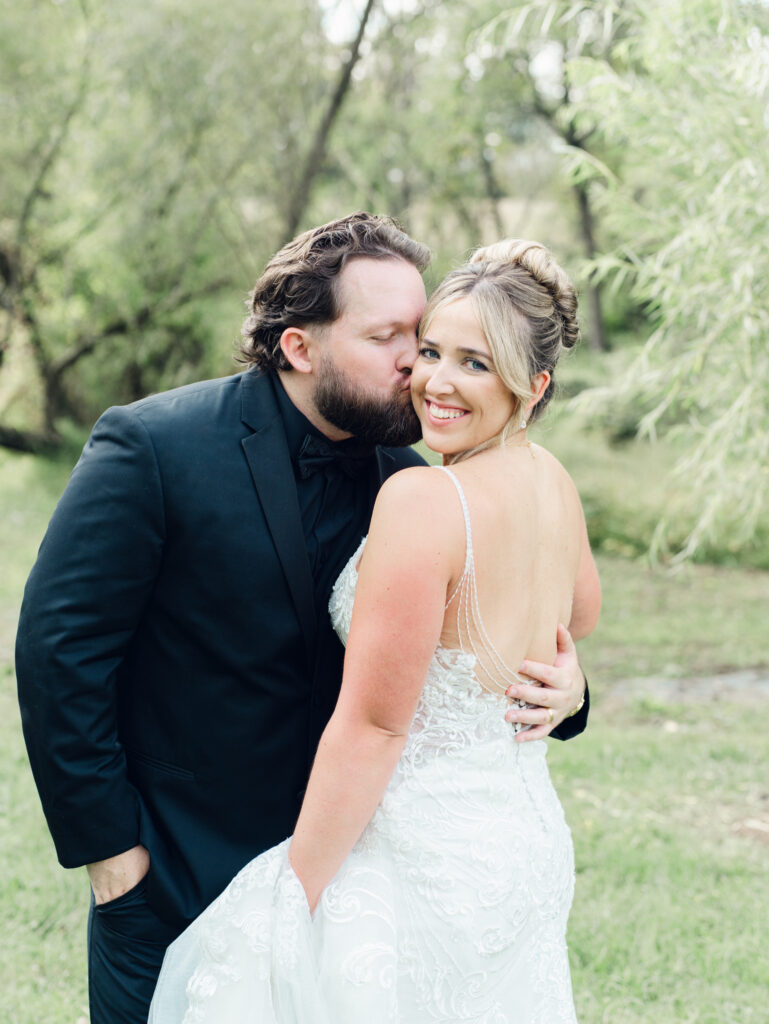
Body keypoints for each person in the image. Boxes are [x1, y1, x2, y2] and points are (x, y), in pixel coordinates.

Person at [15, 214, 590, 1024]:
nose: (415, 365)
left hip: (360, 883)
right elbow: (57, 654)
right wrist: (113, 857)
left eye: (421, 336)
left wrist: (568, 689)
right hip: (178, 869)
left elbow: (478, 634)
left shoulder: (417, 477)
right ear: (299, 347)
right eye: (392, 337)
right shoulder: (153, 448)